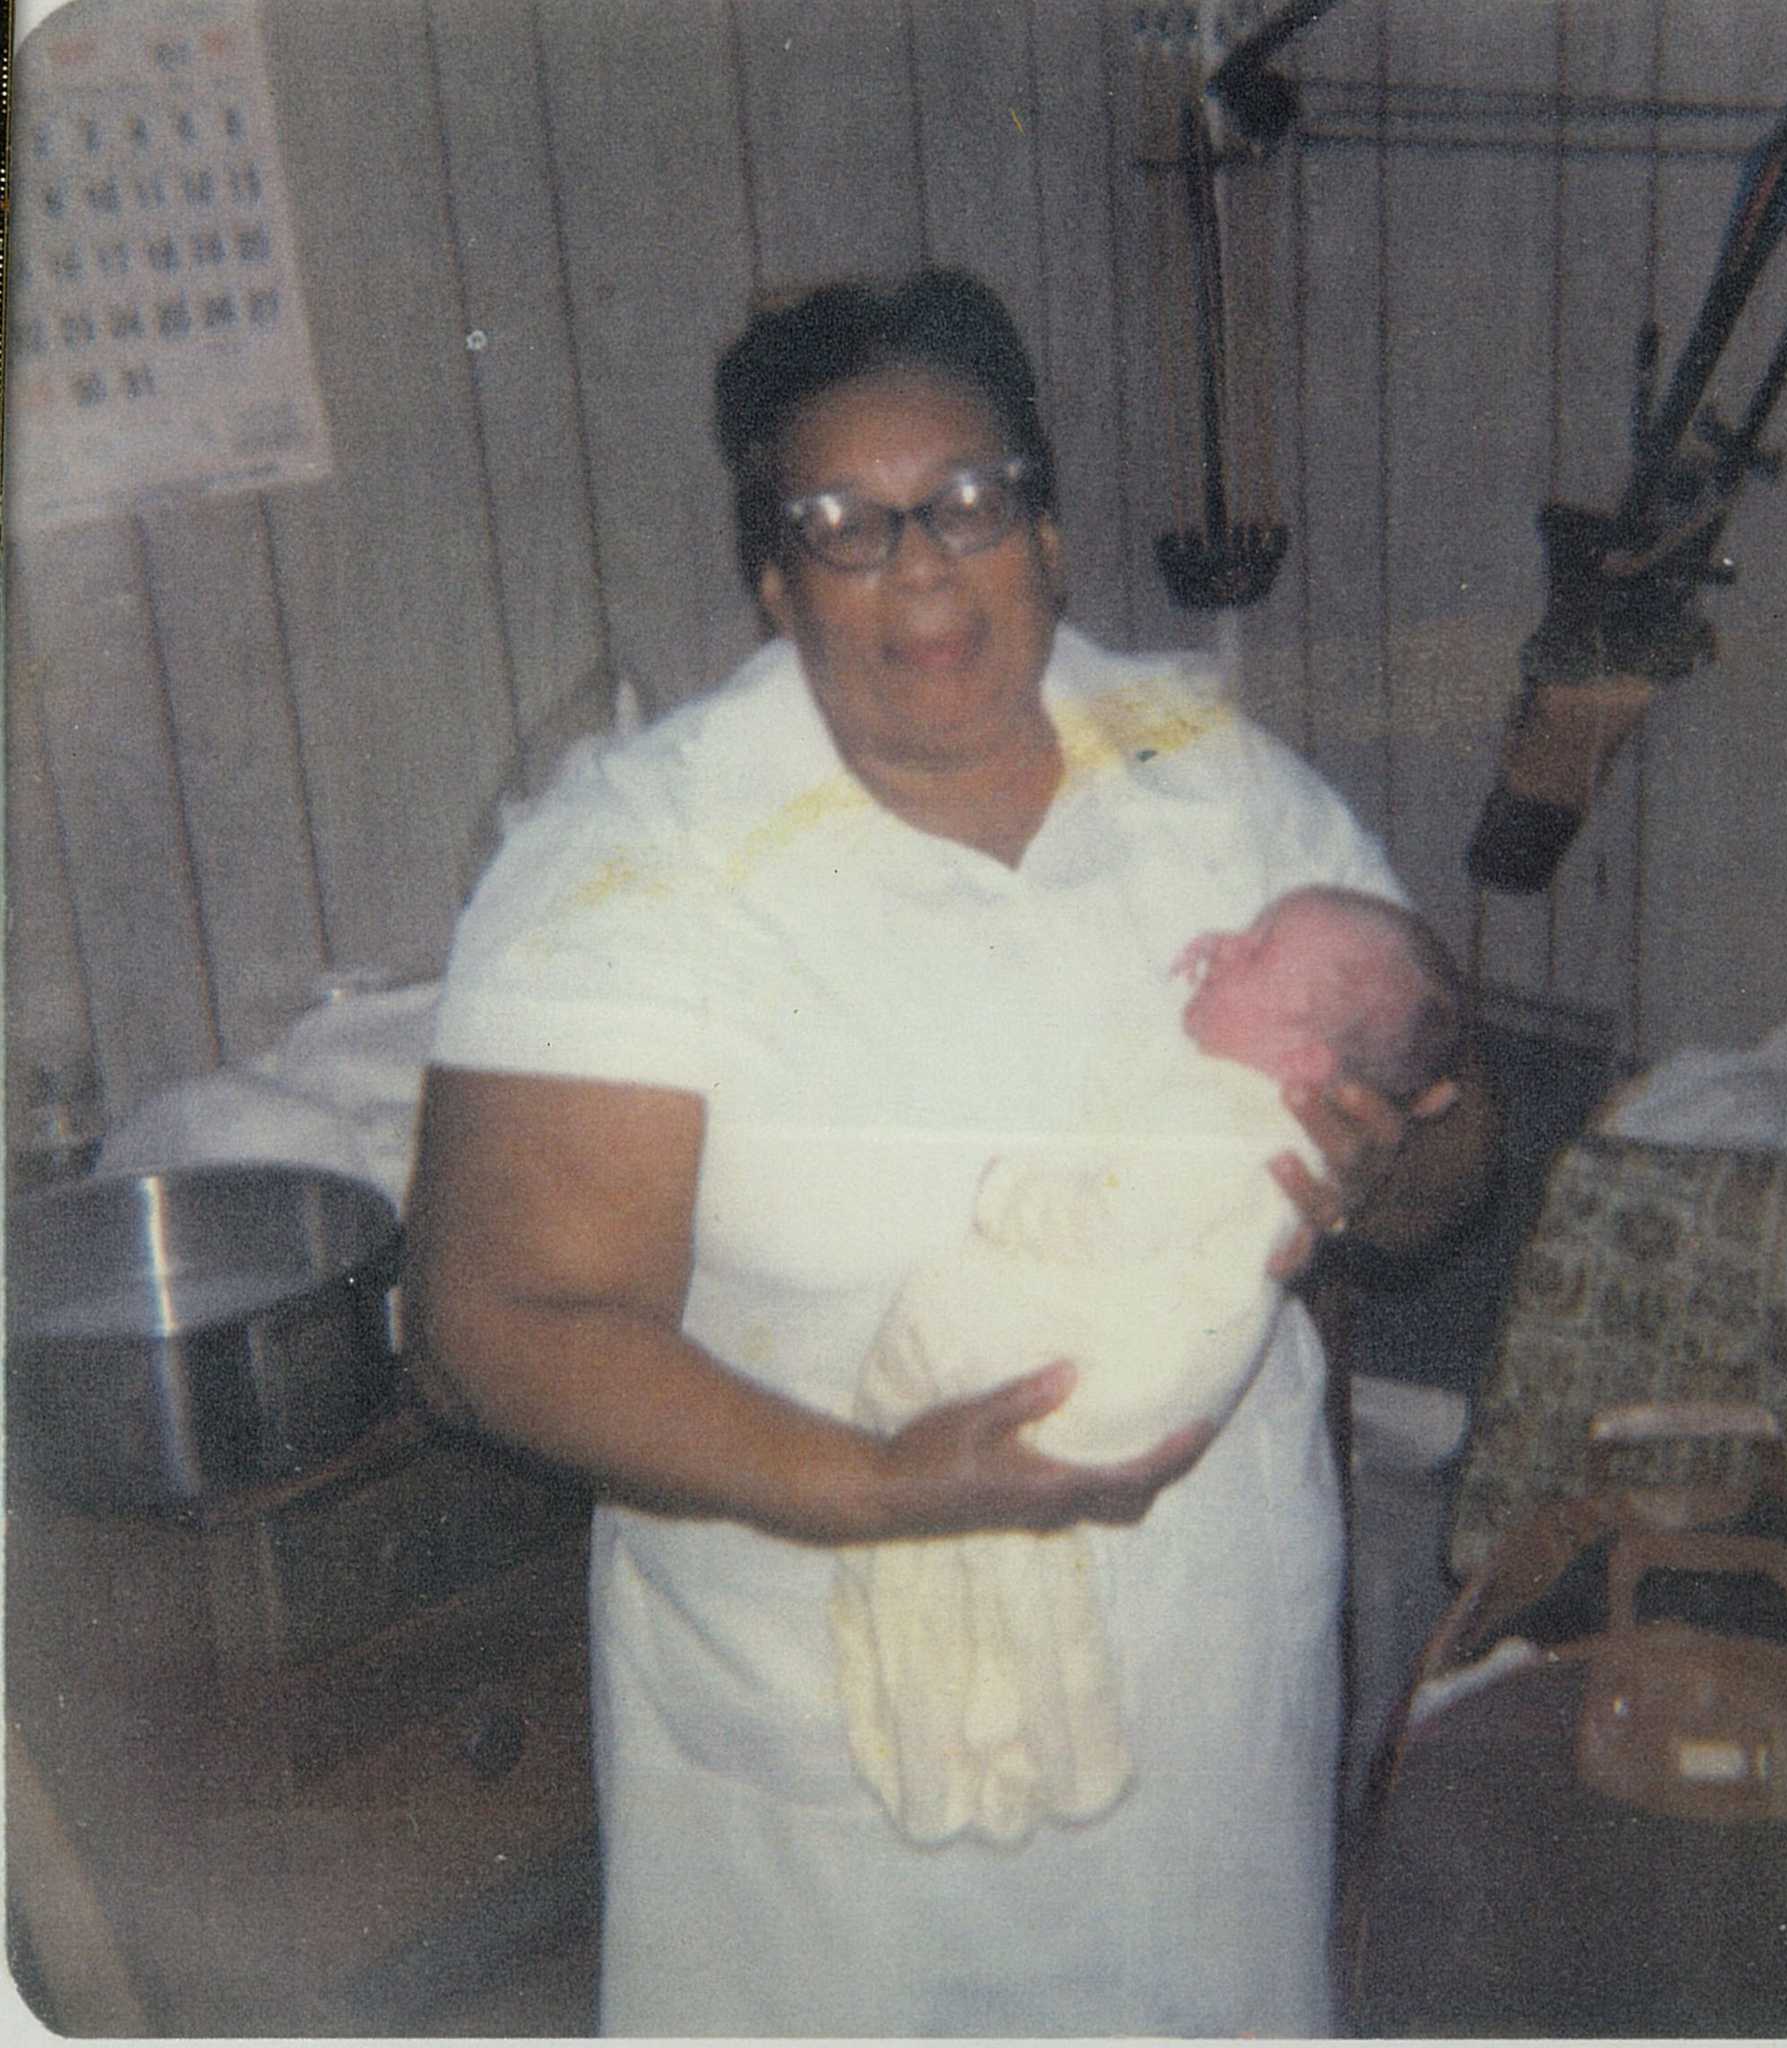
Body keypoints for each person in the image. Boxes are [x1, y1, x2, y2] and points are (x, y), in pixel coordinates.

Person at [405, 267, 1497, 2037]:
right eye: (845, 522)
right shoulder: (640, 864)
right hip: (833, 1766)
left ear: (1049, 534)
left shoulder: (1208, 775)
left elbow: (1450, 1129)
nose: (920, 560)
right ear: (773, 576)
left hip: (1208, 1713)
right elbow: (491, 1318)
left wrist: (1398, 1167)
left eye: (969, 500)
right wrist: (874, 1484)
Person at [833, 887, 1467, 1850]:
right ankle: (1019, 1749)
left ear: (1301, 1064)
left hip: (1119, 1385)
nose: (1223, 946)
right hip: (1129, 1389)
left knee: (944, 1333)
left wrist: (1011, 1198)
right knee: (1009, 1617)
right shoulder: (1244, 1074)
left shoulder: (1238, 1117)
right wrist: (1235, 972)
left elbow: (1117, 1206)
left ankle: (973, 1750)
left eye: (1255, 952)